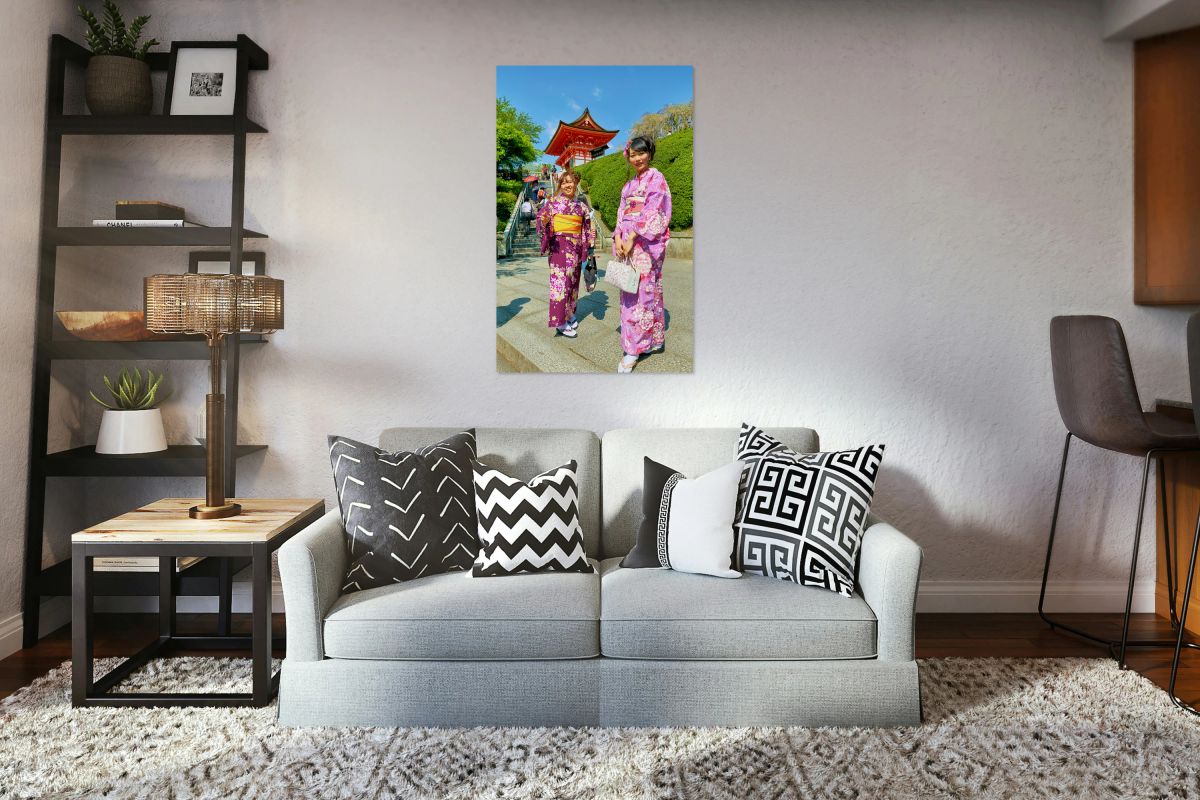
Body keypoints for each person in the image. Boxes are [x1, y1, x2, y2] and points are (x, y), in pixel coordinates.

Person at [612, 136, 671, 373]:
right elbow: (621, 212)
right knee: (632, 291)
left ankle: (633, 350)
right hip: (626, 241)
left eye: (641, 153)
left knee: (642, 295)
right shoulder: (628, 186)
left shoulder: (657, 179)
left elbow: (655, 211)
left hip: (644, 244)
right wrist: (617, 236)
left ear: (650, 153)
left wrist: (632, 236)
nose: (637, 158)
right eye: (633, 154)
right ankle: (649, 341)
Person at [536, 168, 594, 338]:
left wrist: (589, 248)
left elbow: (588, 228)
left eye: (571, 181)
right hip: (559, 247)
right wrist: (544, 222)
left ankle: (569, 313)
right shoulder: (552, 203)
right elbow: (541, 220)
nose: (568, 184)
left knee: (573, 283)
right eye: (564, 182)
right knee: (560, 283)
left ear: (576, 184)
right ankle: (560, 321)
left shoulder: (581, 206)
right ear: (560, 184)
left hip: (576, 247)